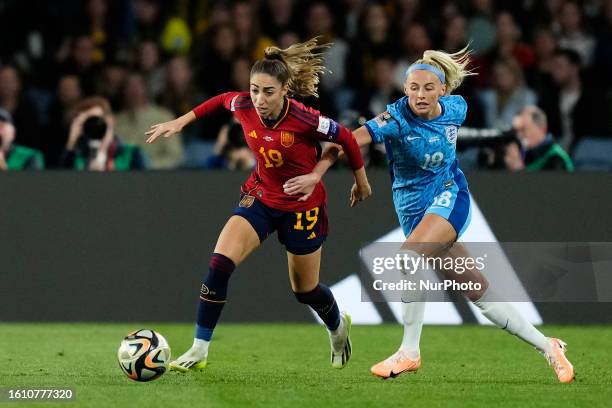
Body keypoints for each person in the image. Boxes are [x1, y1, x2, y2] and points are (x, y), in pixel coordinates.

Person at [285, 47, 575, 383]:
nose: (420, 95)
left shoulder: (457, 108)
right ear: (404, 90)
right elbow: (346, 142)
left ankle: (409, 351)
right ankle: (549, 347)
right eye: (413, 88)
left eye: (427, 88)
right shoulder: (394, 120)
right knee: (481, 295)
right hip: (414, 213)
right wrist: (319, 173)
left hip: (450, 197)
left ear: (442, 91)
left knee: (408, 259)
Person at [145, 38, 372, 372]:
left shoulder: (306, 119)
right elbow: (223, 100)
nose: (259, 99)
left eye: (268, 92)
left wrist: (361, 181)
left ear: (285, 92)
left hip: (301, 207)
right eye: (254, 90)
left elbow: (347, 138)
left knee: (305, 290)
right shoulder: (244, 106)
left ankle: (337, 327)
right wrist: (182, 121)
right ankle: (199, 348)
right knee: (219, 265)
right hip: (262, 196)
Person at [62, 96, 146, 171]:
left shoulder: (132, 155)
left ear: (110, 121)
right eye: (87, 122)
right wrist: (72, 141)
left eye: (95, 120)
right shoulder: (77, 157)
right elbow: (60, 182)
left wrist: (102, 152)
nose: (93, 126)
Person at [509, 106, 574, 171]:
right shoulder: (522, 154)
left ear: (542, 128)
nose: (519, 135)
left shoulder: (557, 159)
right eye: (516, 131)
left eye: (524, 129)